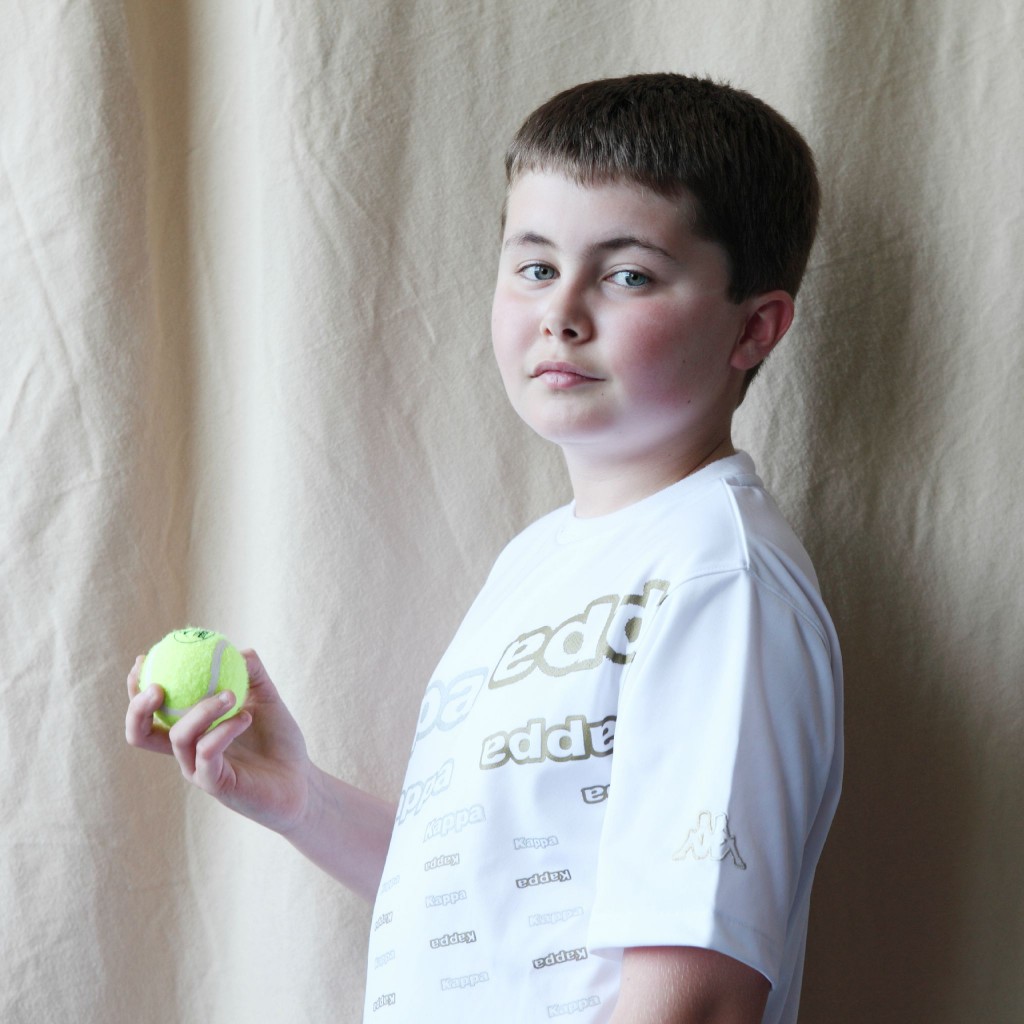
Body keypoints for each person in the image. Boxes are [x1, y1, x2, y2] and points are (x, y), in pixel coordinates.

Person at [126, 73, 842, 1024]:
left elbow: (699, 999)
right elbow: (491, 904)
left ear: (754, 327)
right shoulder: (534, 564)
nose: (563, 312)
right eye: (536, 266)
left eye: (627, 274)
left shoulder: (717, 579)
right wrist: (299, 799)